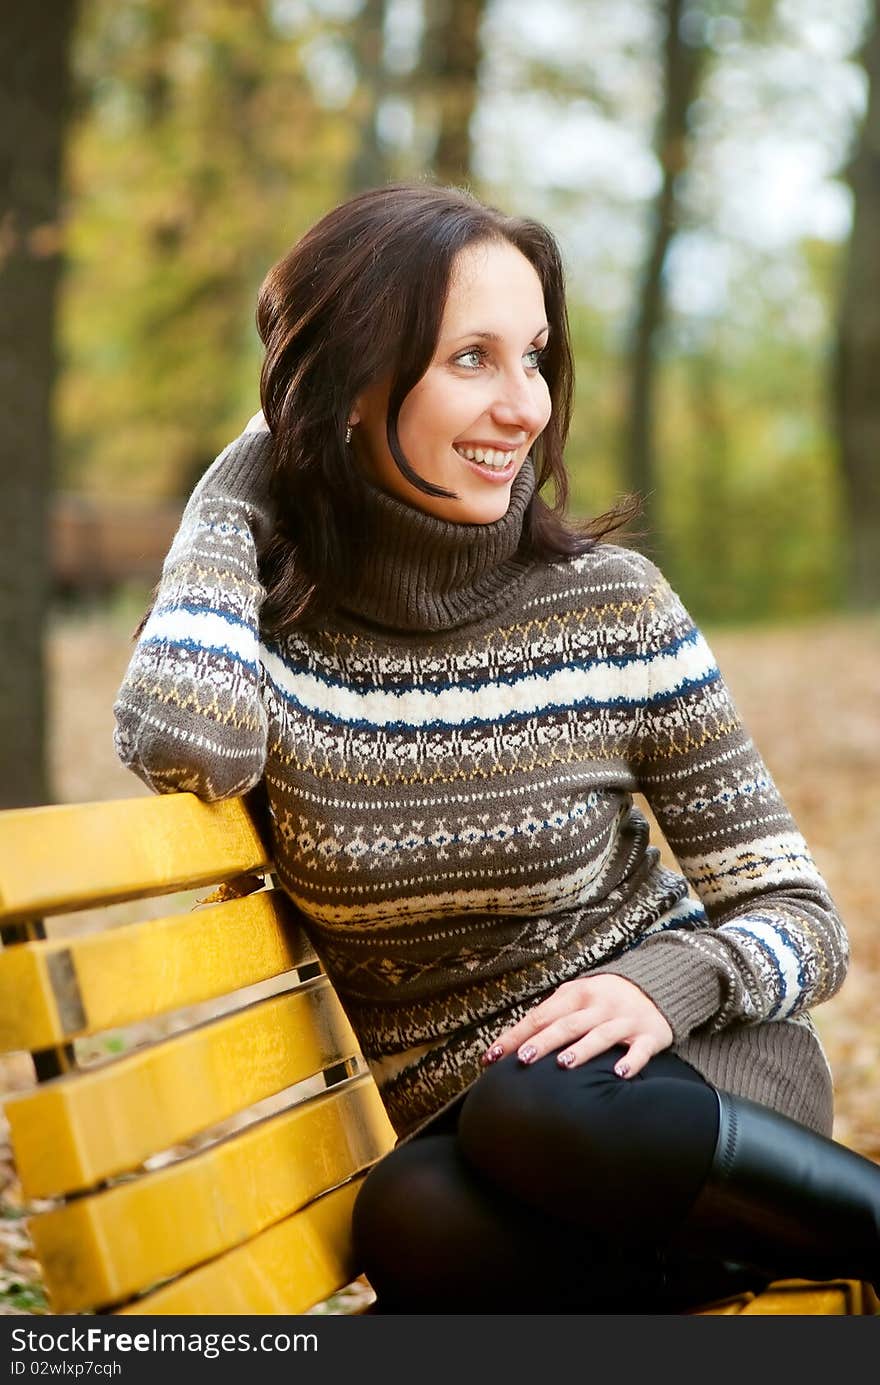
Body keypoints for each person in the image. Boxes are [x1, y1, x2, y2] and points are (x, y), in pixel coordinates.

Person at [113, 181, 879, 1315]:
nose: (522, 405)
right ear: (352, 386)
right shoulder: (266, 634)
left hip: (684, 1081)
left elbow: (803, 922)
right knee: (408, 1219)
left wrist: (667, 982)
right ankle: (758, 1271)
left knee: (537, 1100)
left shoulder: (612, 607)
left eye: (533, 356)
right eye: (470, 357)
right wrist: (234, 492)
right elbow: (185, 745)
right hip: (475, 1142)